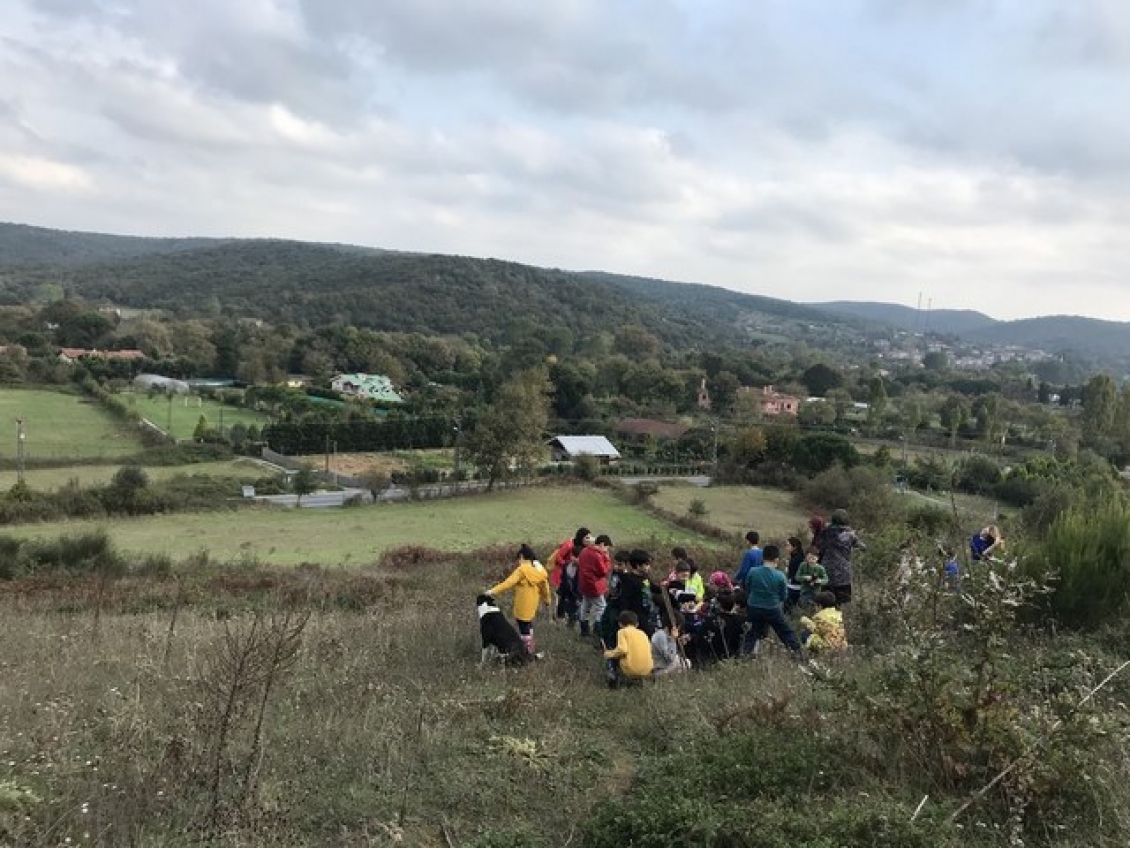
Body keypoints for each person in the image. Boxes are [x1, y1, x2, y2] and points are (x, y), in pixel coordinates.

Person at [486, 544, 552, 656]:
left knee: (523, 627)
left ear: (522, 556)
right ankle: (530, 648)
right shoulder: (539, 572)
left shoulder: (521, 570)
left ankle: (526, 652)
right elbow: (545, 587)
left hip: (522, 604)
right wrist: (547, 600)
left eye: (519, 558)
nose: (518, 561)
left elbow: (508, 583)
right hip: (532, 604)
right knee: (528, 624)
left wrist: (492, 591)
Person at [742, 544, 802, 655]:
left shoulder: (753, 571)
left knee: (751, 633)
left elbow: (747, 587)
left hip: (754, 606)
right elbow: (783, 595)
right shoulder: (780, 576)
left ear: (762, 558)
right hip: (772, 608)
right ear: (776, 560)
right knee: (785, 632)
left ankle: (745, 655)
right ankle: (798, 653)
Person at [821, 509, 864, 606]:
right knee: (841, 602)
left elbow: (820, 546)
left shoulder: (825, 532)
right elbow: (863, 547)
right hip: (843, 572)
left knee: (825, 601)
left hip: (826, 569)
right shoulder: (850, 535)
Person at [603, 610, 653, 687]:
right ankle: (638, 681)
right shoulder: (643, 633)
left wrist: (609, 653)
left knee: (611, 656)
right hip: (647, 669)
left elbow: (622, 649)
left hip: (631, 668)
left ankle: (613, 678)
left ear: (620, 624)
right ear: (637, 624)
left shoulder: (622, 632)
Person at [577, 533, 612, 639]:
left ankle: (584, 629)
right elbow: (604, 571)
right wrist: (606, 558)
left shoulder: (584, 551)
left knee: (585, 606)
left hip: (584, 583)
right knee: (601, 607)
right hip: (594, 585)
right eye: (606, 547)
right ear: (601, 544)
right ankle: (598, 630)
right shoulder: (597, 555)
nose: (606, 550)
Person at [555, 543, 583, 627]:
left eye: (577, 557)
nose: (574, 559)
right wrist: (560, 590)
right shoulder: (566, 565)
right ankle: (560, 622)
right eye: (573, 556)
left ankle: (571, 624)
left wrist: (580, 595)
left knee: (573, 611)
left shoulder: (582, 569)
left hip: (576, 594)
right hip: (565, 591)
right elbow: (563, 578)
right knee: (561, 607)